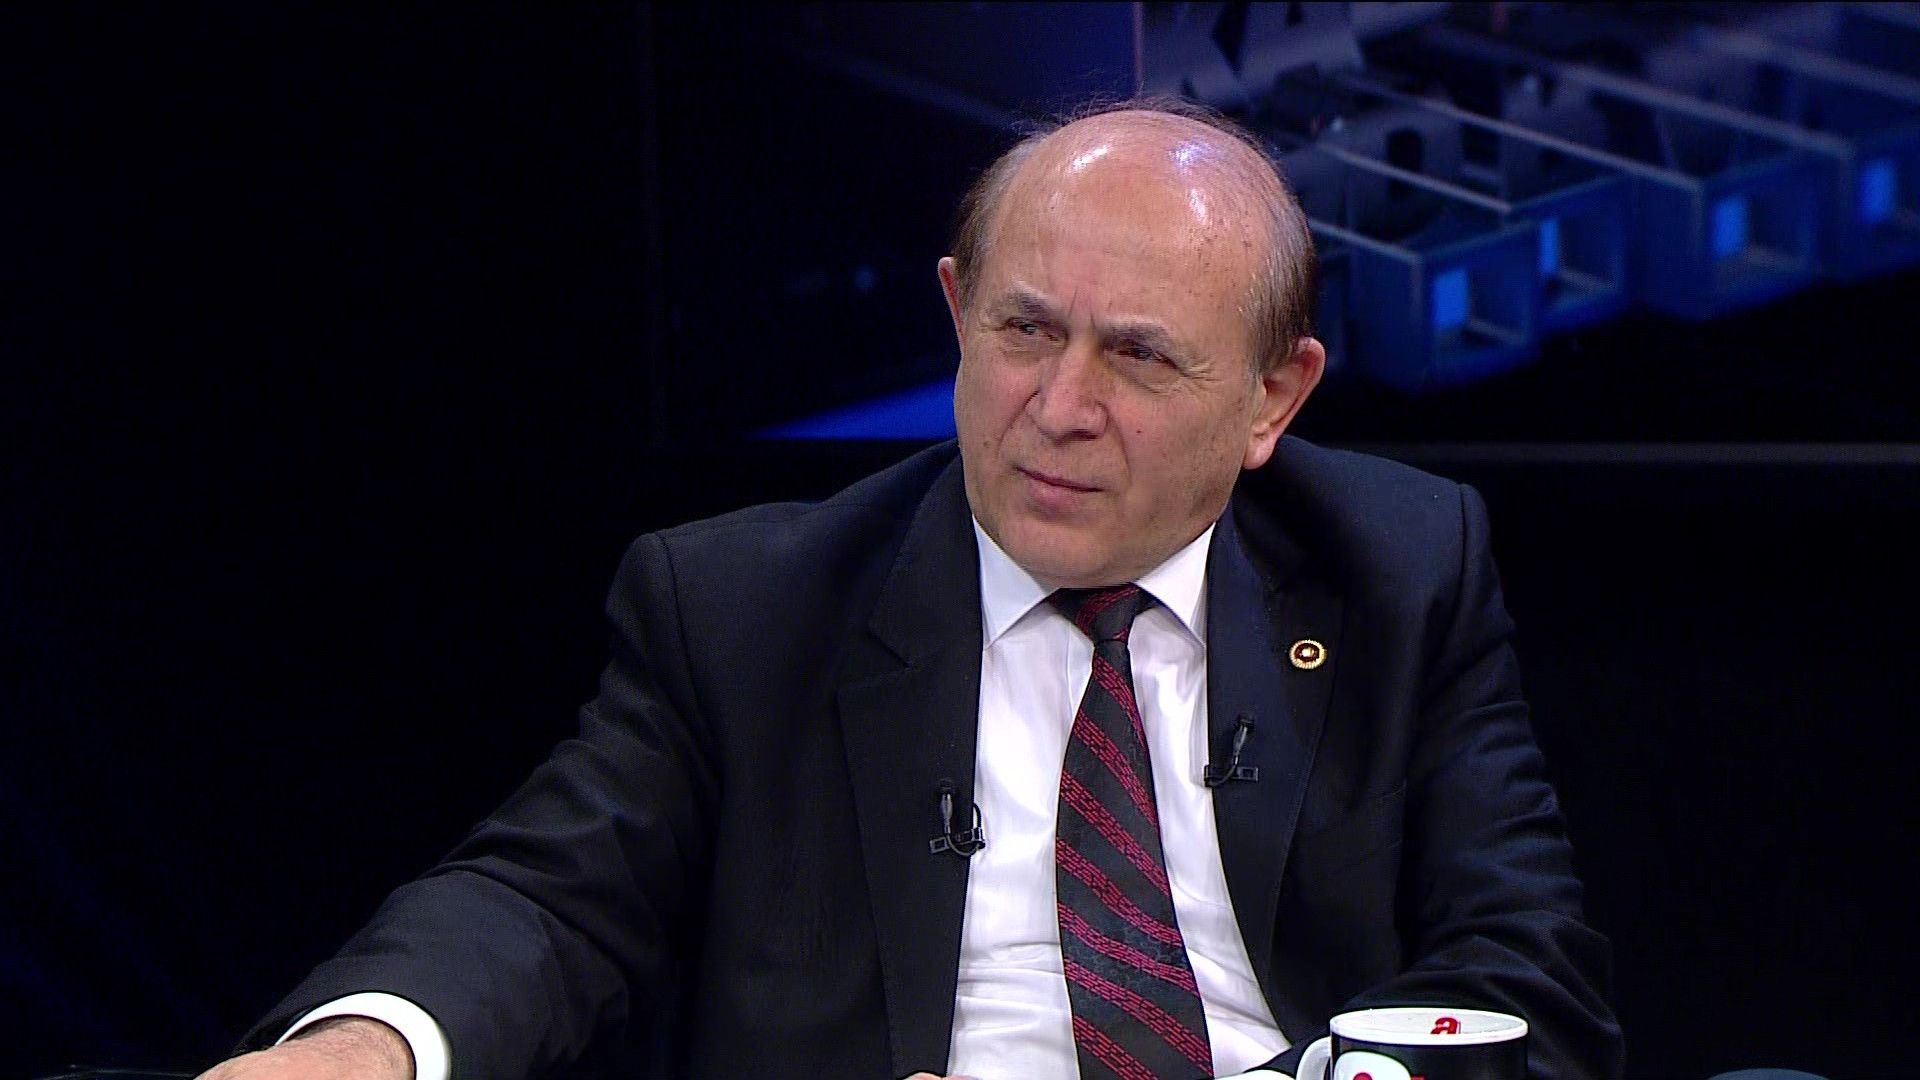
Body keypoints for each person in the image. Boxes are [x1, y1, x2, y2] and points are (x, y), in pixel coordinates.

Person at [199, 98, 1622, 1080]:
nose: (1058, 408)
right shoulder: (744, 608)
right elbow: (547, 902)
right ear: (955, 312)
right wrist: (369, 1044)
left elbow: (1525, 973)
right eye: (1023, 331)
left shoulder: (1399, 572)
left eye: (1137, 356)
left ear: (1272, 399)